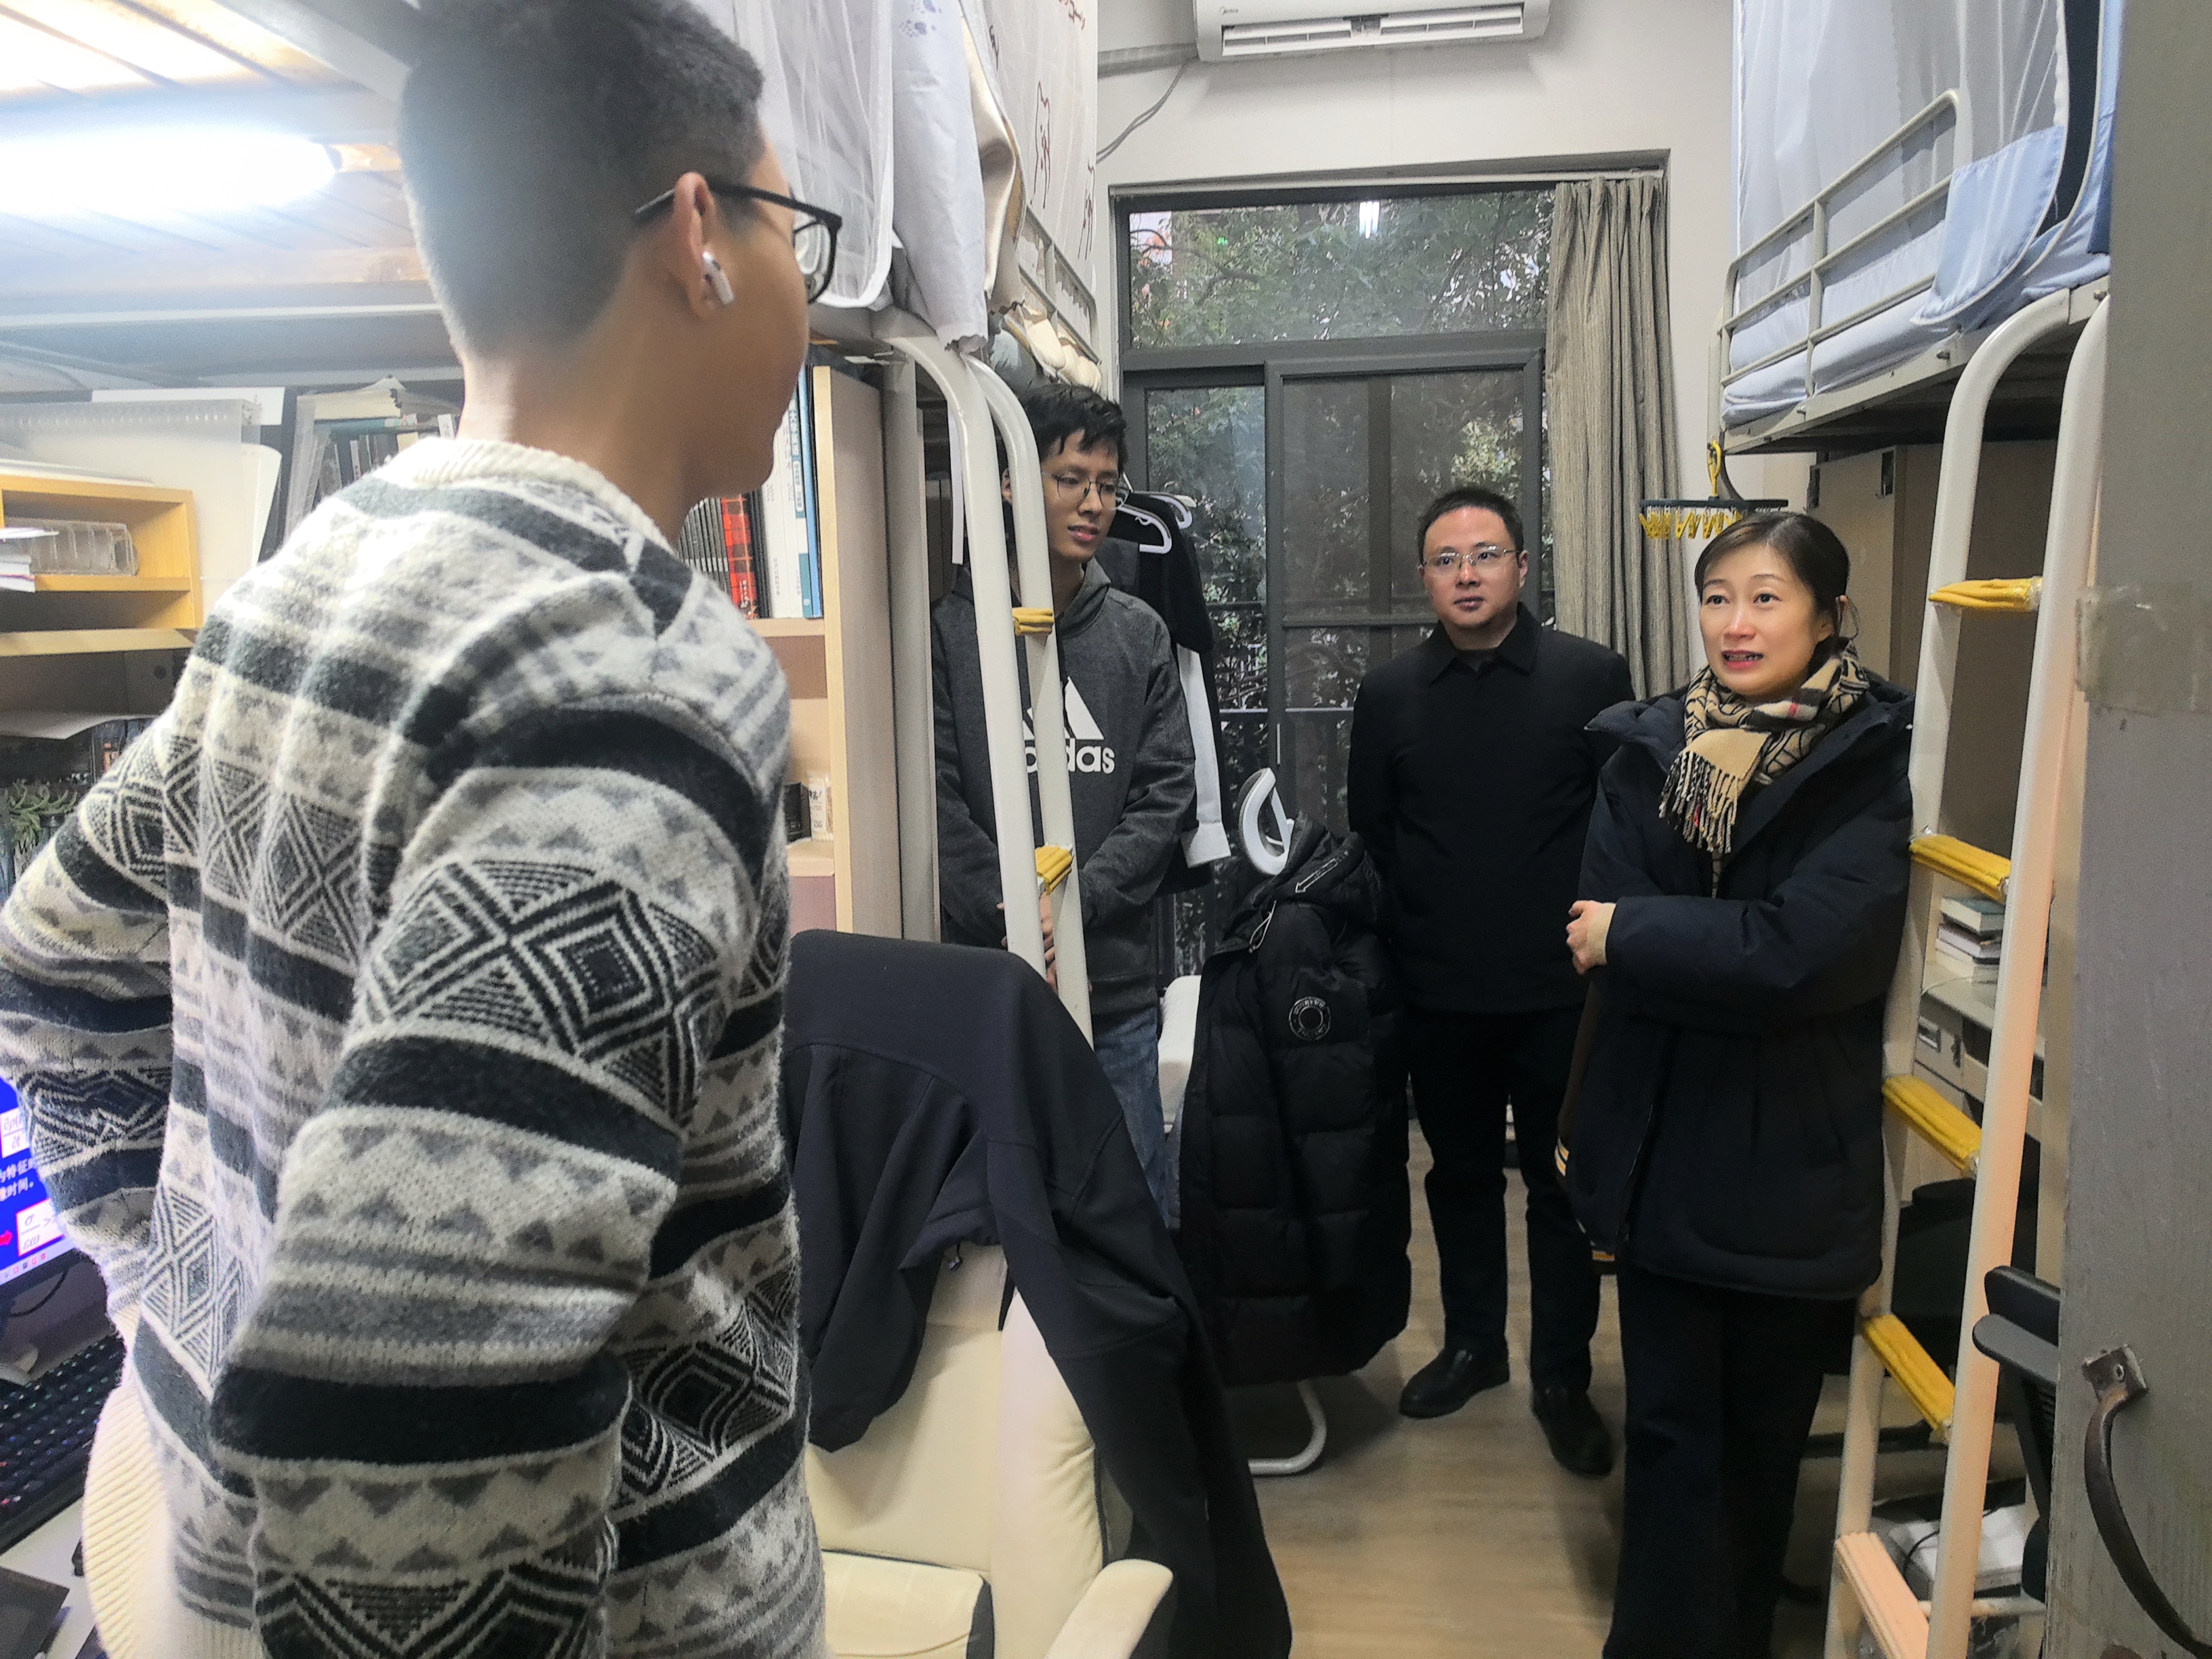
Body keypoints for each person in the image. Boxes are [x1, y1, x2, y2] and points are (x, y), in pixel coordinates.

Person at [0, 4, 832, 1654]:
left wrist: (178, 1288)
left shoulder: (299, 582)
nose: (803, 288)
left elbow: (55, 958)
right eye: (793, 230)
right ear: (699, 234)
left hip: (217, 1565)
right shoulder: (629, 670)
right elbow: (417, 1372)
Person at [1564, 513, 1912, 1659]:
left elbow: (1806, 955)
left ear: (1828, 616)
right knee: (1668, 1439)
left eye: (1766, 597)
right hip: (1660, 1149)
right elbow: (1593, 925)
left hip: (1784, 1166)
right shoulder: (1647, 745)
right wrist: (1702, 947)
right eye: (1717, 596)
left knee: (1759, 1449)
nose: (1735, 622)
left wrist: (1643, 936)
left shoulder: (1868, 757)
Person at [1347, 485, 1633, 1473]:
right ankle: (1475, 1346)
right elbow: (1375, 835)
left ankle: (1563, 1376)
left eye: (1485, 556)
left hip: (1563, 989)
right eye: (1446, 560)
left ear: (1521, 565)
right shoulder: (1389, 695)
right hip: (1437, 991)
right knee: (1459, 1174)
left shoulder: (1591, 676)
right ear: (1424, 577)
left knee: (1561, 1189)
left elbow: (1620, 823)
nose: (1466, 575)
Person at [934, 384, 1195, 1218]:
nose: (1093, 504)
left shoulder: (1139, 633)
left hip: (1113, 993)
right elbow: (937, 801)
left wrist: (1073, 904)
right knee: (1002, 1223)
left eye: (1107, 485)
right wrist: (1015, 908)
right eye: (1070, 479)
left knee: (1131, 1214)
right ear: (1012, 481)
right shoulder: (951, 632)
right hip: (990, 988)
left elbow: (1165, 796)